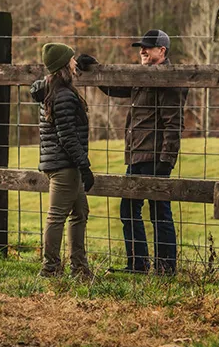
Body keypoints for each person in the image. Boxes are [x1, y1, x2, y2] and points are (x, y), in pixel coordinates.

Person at [77, 29, 187, 275]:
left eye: (148, 47)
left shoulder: (170, 79)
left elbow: (174, 123)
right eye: (141, 47)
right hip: (137, 155)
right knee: (129, 210)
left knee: (159, 211)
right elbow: (116, 86)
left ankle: (165, 268)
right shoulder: (142, 76)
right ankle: (138, 264)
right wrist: (95, 68)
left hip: (154, 157)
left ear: (163, 51)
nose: (142, 51)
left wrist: (166, 160)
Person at [30, 43, 94, 279]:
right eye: (72, 59)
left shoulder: (50, 90)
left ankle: (80, 269)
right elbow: (67, 136)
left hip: (62, 163)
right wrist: (84, 165)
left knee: (80, 212)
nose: (75, 62)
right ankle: (51, 269)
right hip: (64, 165)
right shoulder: (64, 95)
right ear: (64, 65)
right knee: (57, 216)